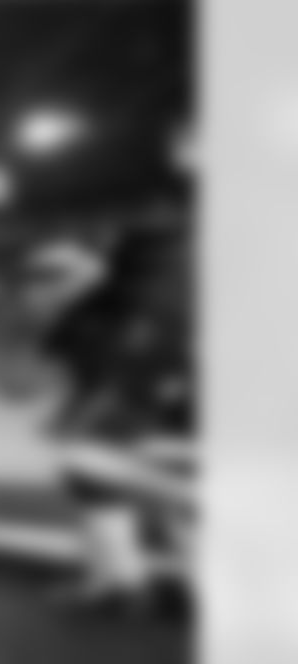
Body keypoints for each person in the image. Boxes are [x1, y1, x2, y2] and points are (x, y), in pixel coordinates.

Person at [27, 229, 196, 615]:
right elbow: (99, 382)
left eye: (49, 279)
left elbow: (129, 378)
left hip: (188, 416)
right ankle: (124, 581)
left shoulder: (109, 315)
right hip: (172, 412)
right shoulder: (88, 318)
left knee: (92, 466)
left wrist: (77, 421)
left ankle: (125, 582)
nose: (36, 291)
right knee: (94, 470)